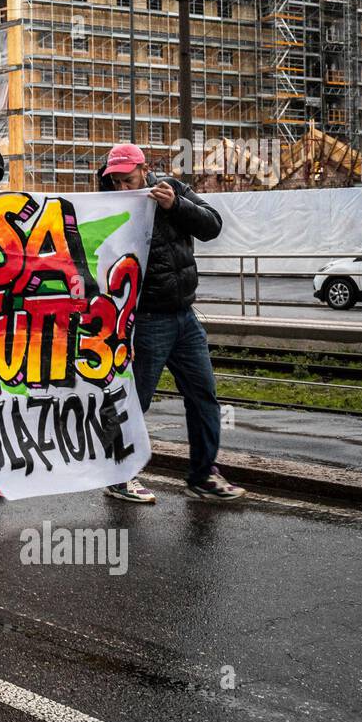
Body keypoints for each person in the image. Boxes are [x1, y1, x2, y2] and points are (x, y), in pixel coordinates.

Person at [97, 144, 245, 504]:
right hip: (147, 318)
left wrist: (175, 206)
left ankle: (202, 475)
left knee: (203, 395)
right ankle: (119, 474)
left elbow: (212, 225)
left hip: (184, 315)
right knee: (135, 399)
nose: (121, 187)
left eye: (127, 179)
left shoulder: (173, 191)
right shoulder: (110, 204)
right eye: (114, 181)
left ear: (144, 169)